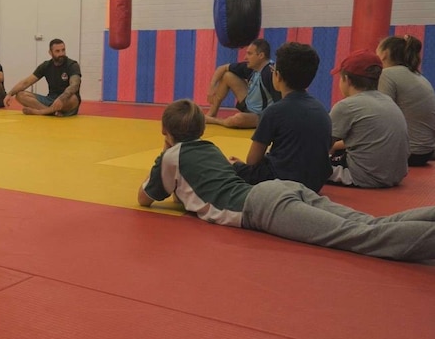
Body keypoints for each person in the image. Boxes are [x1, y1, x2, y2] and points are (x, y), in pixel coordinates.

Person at [138, 99, 435, 262]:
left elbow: (145, 197)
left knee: (358, 237)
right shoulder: (210, 148)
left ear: (165, 130)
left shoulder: (171, 157)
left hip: (263, 205)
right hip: (281, 188)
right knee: (369, 223)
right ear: (202, 128)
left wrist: (165, 149)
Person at [229, 42, 332, 193]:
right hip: (315, 184)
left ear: (277, 76)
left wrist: (239, 167)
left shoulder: (274, 112)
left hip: (282, 183)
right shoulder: (322, 110)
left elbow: (252, 161)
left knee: (229, 165)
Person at [327, 50, 408, 188]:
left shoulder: (346, 106)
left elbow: (320, 146)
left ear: (346, 79)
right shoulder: (388, 101)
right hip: (395, 175)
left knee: (302, 162)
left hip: (365, 178)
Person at [376, 35, 435, 166]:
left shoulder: (387, 74)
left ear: (384, 54)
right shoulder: (419, 76)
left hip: (407, 154)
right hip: (425, 152)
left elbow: (381, 115)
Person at [205, 39, 279, 129]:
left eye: (249, 54)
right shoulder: (252, 67)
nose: (245, 57)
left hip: (260, 115)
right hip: (249, 105)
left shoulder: (270, 73)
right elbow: (222, 68)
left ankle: (215, 121)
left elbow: (280, 101)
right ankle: (212, 113)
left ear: (261, 55)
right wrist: (211, 88)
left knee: (238, 119)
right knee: (227, 76)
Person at [4, 39, 81, 116]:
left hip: (66, 100)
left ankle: (41, 111)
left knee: (74, 98)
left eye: (63, 50)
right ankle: (50, 112)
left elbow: (74, 85)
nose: (61, 53)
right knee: (20, 95)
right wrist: (10, 94)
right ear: (50, 53)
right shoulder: (46, 66)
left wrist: (62, 98)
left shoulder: (72, 65)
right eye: (57, 51)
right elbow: (26, 82)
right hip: (50, 99)